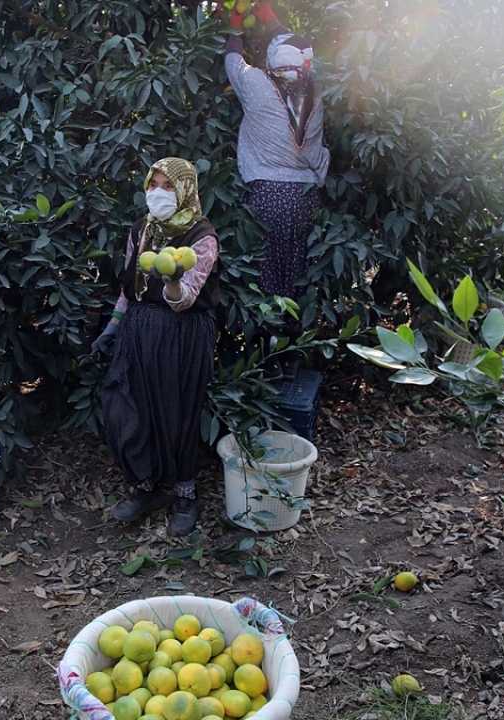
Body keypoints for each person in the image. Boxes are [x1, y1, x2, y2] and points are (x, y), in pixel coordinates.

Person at [90, 157, 221, 536]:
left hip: (181, 336)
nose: (158, 193)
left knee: (177, 412)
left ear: (184, 190)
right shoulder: (141, 229)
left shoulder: (201, 237)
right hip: (138, 332)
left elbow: (184, 300)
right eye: (153, 184)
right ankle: (145, 486)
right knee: (128, 405)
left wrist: (173, 279)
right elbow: (128, 288)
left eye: (167, 185)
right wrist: (112, 327)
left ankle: (185, 493)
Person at [224, 2, 329, 380]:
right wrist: (269, 18)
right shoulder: (314, 92)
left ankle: (264, 361)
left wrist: (237, 26)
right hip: (304, 197)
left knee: (265, 276)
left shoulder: (255, 85)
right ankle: (291, 356)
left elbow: (233, 61)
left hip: (268, 193)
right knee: (295, 273)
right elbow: (297, 47)